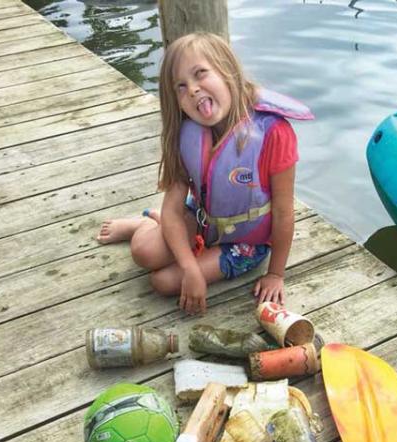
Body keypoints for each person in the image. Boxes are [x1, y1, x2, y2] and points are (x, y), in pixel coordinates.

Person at [97, 32, 313, 314]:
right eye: (181, 87)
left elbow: (284, 213)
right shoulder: (186, 134)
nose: (194, 90)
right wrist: (190, 268)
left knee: (163, 282)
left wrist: (276, 274)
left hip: (246, 242)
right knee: (144, 252)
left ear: (228, 73)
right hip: (203, 219)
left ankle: (154, 223)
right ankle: (144, 223)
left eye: (201, 74)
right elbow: (175, 210)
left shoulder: (274, 133)